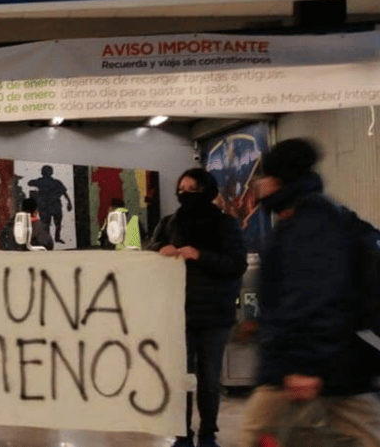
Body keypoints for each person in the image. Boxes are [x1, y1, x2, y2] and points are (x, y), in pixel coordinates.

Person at [239, 139, 380, 447]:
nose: (258, 186)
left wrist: (304, 365)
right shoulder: (318, 216)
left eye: (262, 178)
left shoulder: (310, 225)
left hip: (316, 364)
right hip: (337, 362)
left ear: (276, 181)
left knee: (256, 435)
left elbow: (313, 296)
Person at [148, 168, 248, 447]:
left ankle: (207, 434)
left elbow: (235, 264)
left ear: (206, 191)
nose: (185, 193)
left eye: (192, 189)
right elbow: (150, 249)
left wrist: (200, 255)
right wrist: (159, 250)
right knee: (180, 378)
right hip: (177, 313)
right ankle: (181, 434)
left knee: (208, 378)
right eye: (181, 188)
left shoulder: (225, 225)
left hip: (214, 315)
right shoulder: (169, 223)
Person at [28, 165, 73, 244]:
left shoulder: (41, 181)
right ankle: (56, 238)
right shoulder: (56, 182)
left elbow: (30, 183)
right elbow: (64, 193)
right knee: (56, 224)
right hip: (53, 206)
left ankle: (51, 238)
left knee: (48, 224)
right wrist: (69, 203)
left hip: (47, 206)